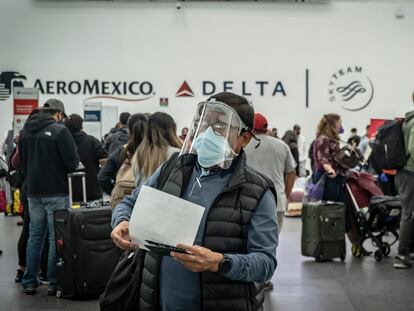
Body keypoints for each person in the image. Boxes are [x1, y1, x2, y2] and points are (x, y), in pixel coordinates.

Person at [111, 92, 278, 311]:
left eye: (219, 127)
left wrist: (219, 262)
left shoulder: (257, 191)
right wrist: (122, 221)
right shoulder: (174, 168)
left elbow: (265, 262)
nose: (207, 133)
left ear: (244, 138)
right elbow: (131, 203)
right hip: (156, 301)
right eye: (203, 123)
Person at [19, 99, 79, 295]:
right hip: (57, 191)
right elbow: (72, 163)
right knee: (55, 238)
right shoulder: (60, 131)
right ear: (59, 113)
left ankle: (29, 280)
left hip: (33, 192)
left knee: (35, 236)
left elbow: (20, 162)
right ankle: (54, 282)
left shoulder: (26, 131)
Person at [245, 113, 296, 232]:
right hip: (276, 201)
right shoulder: (282, 145)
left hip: (248, 202)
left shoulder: (242, 144)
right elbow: (291, 173)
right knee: (272, 242)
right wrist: (286, 195)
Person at [98, 113, 149, 195]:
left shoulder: (121, 151)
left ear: (129, 131)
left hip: (124, 199)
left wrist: (114, 192)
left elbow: (102, 177)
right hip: (147, 200)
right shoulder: (156, 153)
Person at [64, 114, 107, 202]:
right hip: (92, 191)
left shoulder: (62, 142)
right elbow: (104, 161)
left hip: (67, 192)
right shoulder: (92, 141)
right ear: (81, 126)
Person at [132, 112, 182, 186]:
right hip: (166, 197)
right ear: (171, 130)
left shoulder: (139, 154)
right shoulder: (176, 154)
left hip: (141, 196)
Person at [393, 109, 414, 269]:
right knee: (408, 214)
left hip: (403, 172)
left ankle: (407, 251)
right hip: (410, 173)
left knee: (409, 213)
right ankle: (402, 254)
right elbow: (413, 148)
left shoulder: (407, 119)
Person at [312, 113, 346, 203]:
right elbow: (323, 159)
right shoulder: (323, 139)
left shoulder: (331, 140)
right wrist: (330, 170)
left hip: (333, 177)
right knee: (329, 208)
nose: (341, 126)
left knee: (335, 207)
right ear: (334, 124)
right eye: (339, 122)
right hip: (327, 177)